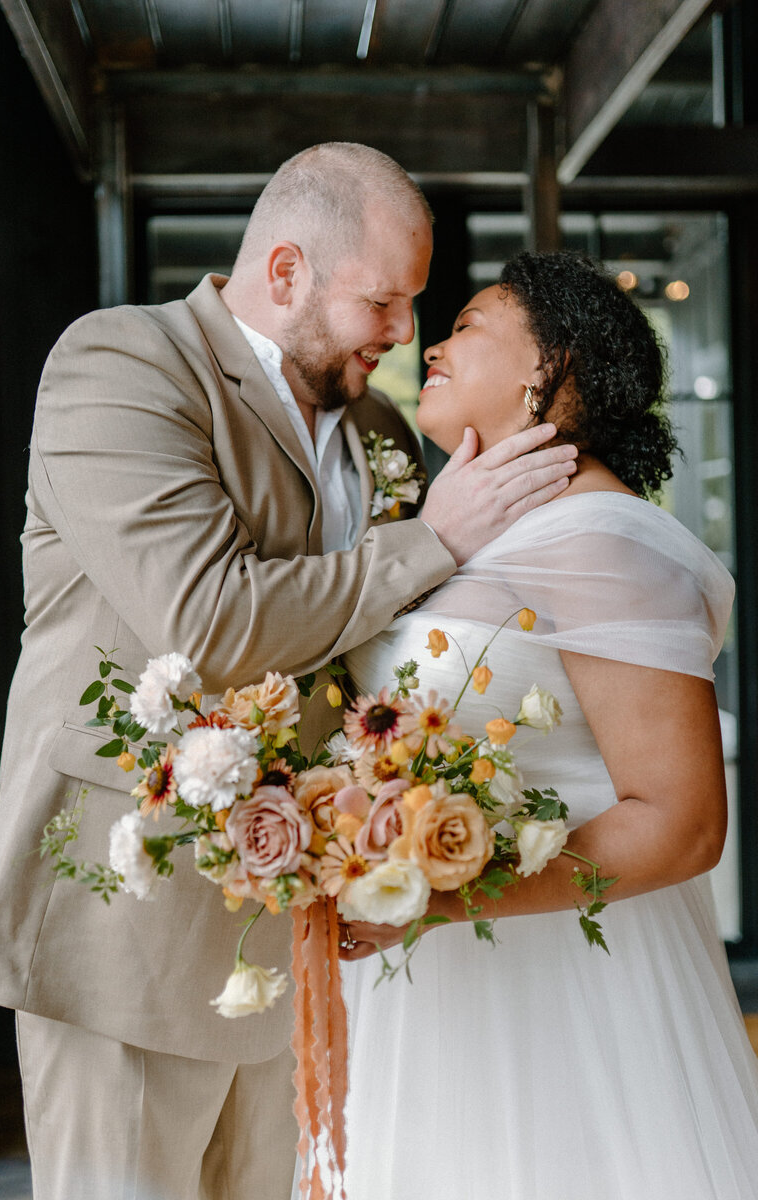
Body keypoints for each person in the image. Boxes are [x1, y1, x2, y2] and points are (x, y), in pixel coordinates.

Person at [0, 145, 577, 1200]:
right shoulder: (121, 364)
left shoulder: (380, 427)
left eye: (413, 304)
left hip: (304, 937)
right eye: (380, 301)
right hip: (131, 928)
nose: (399, 334)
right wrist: (431, 542)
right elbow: (205, 620)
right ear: (285, 273)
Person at [338, 251, 758, 1198]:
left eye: (469, 324)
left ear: (549, 364)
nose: (432, 344)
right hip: (433, 997)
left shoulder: (605, 539)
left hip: (571, 997)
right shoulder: (465, 533)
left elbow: (683, 820)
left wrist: (438, 898)